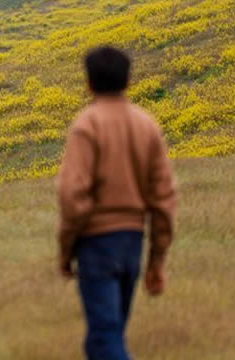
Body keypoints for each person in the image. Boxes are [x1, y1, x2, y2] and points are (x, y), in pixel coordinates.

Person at [57, 46, 178, 360]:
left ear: (89, 83)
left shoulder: (87, 125)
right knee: (111, 334)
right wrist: (157, 259)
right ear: (128, 81)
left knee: (104, 340)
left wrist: (66, 248)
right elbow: (164, 199)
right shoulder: (146, 125)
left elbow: (72, 196)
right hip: (132, 243)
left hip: (97, 244)